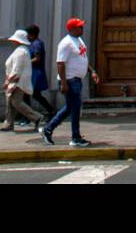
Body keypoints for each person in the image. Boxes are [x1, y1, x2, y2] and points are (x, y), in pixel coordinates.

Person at [41, 17, 99, 148]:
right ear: (72, 29)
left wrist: (92, 71)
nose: (82, 28)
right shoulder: (66, 43)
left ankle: (49, 129)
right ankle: (75, 137)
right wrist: (64, 83)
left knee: (71, 108)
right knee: (75, 108)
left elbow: (82, 58)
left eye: (82, 26)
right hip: (70, 80)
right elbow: (60, 64)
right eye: (79, 27)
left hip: (76, 80)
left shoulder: (78, 40)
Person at [0, 28, 41, 131]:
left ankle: (36, 117)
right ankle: (9, 123)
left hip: (18, 81)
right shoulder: (20, 51)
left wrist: (9, 81)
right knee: (10, 102)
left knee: (16, 102)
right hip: (16, 80)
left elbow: (17, 69)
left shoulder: (21, 52)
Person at [26, 24, 54, 119]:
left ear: (31, 35)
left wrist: (26, 62)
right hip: (34, 72)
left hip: (36, 73)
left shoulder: (36, 44)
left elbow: (37, 58)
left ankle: (50, 110)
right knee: (34, 94)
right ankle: (50, 110)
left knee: (34, 94)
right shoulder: (35, 43)